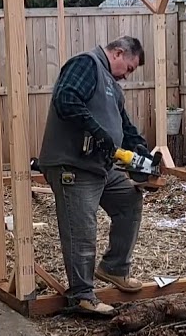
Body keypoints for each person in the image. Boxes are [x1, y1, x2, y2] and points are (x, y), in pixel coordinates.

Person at [38, 36, 150, 316]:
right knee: (81, 229)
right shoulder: (86, 64)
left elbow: (124, 125)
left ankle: (114, 268)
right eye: (130, 68)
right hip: (72, 165)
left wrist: (142, 153)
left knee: (128, 200)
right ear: (118, 53)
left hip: (98, 166)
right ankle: (82, 295)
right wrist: (97, 132)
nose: (128, 75)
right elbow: (66, 100)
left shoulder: (111, 85)